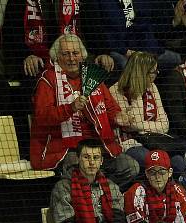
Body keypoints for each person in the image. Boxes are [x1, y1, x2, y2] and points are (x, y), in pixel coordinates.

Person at [30, 34, 139, 189]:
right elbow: (42, 117)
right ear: (56, 58)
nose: (71, 58)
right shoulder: (48, 80)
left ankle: (100, 193)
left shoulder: (92, 76)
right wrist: (70, 108)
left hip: (97, 145)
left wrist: (118, 117)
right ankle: (91, 197)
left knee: (130, 166)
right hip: (65, 148)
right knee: (79, 166)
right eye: (65, 54)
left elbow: (110, 108)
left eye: (75, 53)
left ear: (83, 55)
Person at [110, 52, 186, 172]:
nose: (156, 75)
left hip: (154, 140)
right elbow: (130, 125)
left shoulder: (152, 87)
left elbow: (164, 124)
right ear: (141, 73)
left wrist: (141, 127)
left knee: (179, 161)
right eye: (153, 72)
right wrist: (137, 93)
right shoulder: (116, 90)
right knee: (155, 161)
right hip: (130, 143)